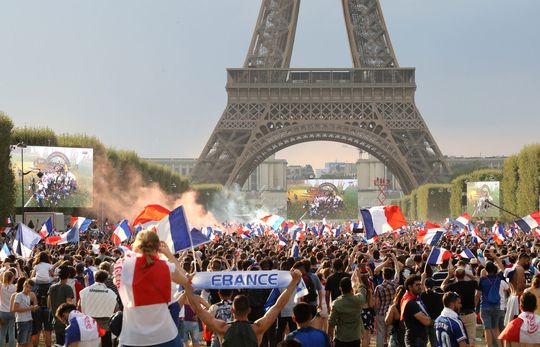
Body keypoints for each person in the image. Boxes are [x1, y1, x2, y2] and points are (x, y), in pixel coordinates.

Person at [184, 269, 302, 347]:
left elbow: (197, 309)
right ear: (249, 310)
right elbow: (278, 306)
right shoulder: (258, 328)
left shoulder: (222, 328)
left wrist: (187, 285)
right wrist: (294, 282)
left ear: (232, 310)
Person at [113, 230, 187, 347]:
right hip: (165, 337)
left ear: (136, 245)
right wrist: (169, 255)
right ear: (157, 248)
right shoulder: (167, 267)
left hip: (132, 339)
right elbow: (186, 280)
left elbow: (117, 280)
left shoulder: (122, 266)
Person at [78, 270, 117, 347]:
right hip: (105, 326)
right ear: (106, 280)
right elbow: (116, 310)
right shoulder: (111, 293)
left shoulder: (84, 291)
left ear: (95, 278)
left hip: (88, 325)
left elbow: (79, 307)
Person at [442, 267, 479, 345]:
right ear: (464, 275)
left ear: (455, 275)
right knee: (471, 339)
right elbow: (477, 280)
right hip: (469, 314)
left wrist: (449, 276)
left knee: (458, 339)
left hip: (456, 316)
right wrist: (468, 274)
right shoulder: (471, 284)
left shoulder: (452, 286)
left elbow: (442, 286)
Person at [327, 277, 366, 347]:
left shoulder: (337, 303)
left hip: (341, 338)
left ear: (340, 288)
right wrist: (359, 279)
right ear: (351, 288)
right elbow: (362, 291)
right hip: (355, 338)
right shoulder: (359, 300)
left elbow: (331, 323)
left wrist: (329, 339)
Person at [374, 256, 400, 347]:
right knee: (391, 335)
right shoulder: (395, 284)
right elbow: (397, 271)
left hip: (381, 312)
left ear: (383, 275)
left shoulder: (379, 287)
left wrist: (376, 312)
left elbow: (377, 304)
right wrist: (395, 260)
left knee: (380, 335)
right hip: (392, 312)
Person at [477, 260, 504, 347]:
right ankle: (499, 345)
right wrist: (495, 257)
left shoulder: (483, 280)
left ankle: (489, 345)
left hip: (485, 306)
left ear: (486, 269)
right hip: (496, 305)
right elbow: (502, 268)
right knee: (495, 328)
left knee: (487, 328)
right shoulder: (498, 278)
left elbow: (479, 293)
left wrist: (482, 274)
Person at [401, 275, 431, 347]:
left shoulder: (412, 299)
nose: (420, 287)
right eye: (417, 285)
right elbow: (426, 322)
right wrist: (431, 321)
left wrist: (423, 278)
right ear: (410, 287)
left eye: (420, 284)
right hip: (415, 339)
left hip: (418, 337)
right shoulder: (410, 303)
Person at [47, 266, 74, 346]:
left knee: (58, 343)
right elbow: (69, 304)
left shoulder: (52, 287)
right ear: (68, 275)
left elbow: (48, 304)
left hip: (55, 320)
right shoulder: (67, 288)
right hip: (65, 321)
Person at [12, 279, 38, 347]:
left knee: (29, 342)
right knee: (21, 343)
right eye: (27, 287)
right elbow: (15, 309)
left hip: (29, 320)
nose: (29, 289)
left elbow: (27, 308)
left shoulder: (28, 296)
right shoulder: (19, 295)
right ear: (23, 285)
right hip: (22, 322)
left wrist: (33, 308)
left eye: (30, 288)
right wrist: (30, 308)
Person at [420, 278, 444, 347]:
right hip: (435, 321)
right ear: (434, 287)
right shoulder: (438, 296)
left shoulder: (422, 296)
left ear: (425, 286)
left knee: (423, 342)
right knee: (435, 343)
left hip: (424, 320)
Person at [0, 271, 16, 347]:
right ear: (12, 278)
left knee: (2, 332)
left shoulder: (1, 287)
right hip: (11, 311)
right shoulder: (14, 287)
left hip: (2, 311)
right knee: (11, 332)